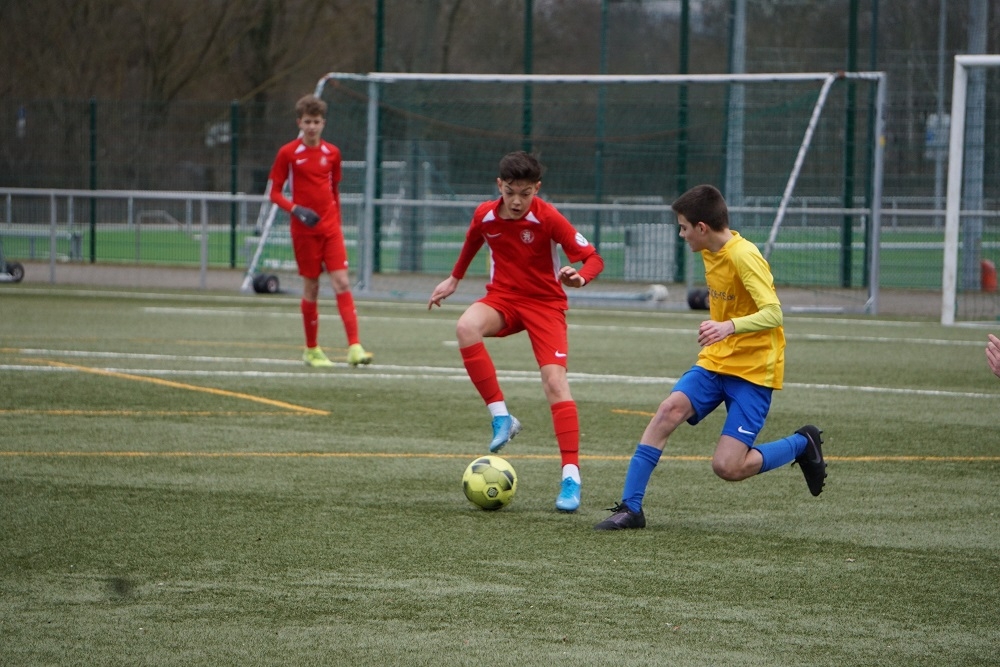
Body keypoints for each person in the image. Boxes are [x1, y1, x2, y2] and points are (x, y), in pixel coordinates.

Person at [595, 184, 825, 531]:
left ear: (702, 227)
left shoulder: (744, 256)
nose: (681, 234)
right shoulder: (709, 250)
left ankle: (800, 444)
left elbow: (774, 313)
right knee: (667, 411)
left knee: (728, 467)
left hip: (752, 370)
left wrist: (728, 326)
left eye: (684, 227)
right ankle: (631, 508)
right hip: (716, 361)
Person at [428, 151, 605, 512]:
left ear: (536, 189)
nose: (517, 201)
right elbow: (473, 240)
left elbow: (593, 258)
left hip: (545, 305)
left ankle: (571, 478)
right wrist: (454, 279)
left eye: (525, 193)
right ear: (499, 186)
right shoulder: (486, 214)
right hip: (504, 300)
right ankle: (501, 417)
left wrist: (579, 278)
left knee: (555, 382)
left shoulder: (548, 217)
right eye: (510, 192)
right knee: (466, 326)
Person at [267, 94, 373, 368]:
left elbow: (334, 190)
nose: (312, 127)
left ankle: (355, 347)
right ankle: (312, 349)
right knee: (311, 287)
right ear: (299, 123)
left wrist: (336, 222)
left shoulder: (332, 153)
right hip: (303, 232)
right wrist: (296, 210)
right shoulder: (288, 153)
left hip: (330, 230)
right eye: (307, 122)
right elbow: (274, 193)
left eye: (316, 122)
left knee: (342, 282)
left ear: (323, 123)